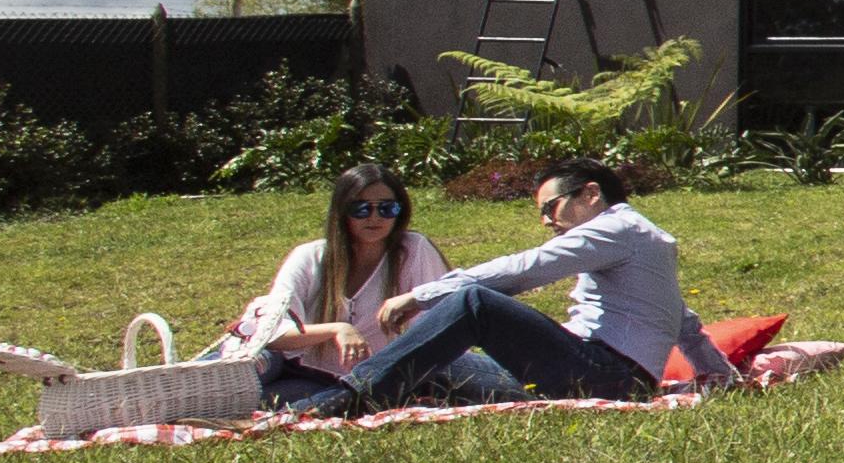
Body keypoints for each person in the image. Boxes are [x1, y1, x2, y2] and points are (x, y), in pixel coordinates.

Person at [314, 161, 746, 412]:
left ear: (591, 193)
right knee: (438, 360)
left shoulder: (617, 229)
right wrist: (724, 376)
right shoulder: (647, 240)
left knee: (475, 305)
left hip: (605, 376)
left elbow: (526, 269)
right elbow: (683, 322)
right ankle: (344, 402)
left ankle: (344, 401)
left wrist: (421, 294)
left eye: (551, 207)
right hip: (599, 377)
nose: (545, 221)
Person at [233, 168, 457, 407]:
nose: (375, 217)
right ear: (342, 212)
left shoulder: (413, 250)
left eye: (387, 208)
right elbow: (273, 334)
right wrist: (337, 329)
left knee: (250, 405)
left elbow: (440, 320)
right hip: (293, 364)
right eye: (360, 209)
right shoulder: (310, 256)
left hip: (346, 381)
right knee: (248, 369)